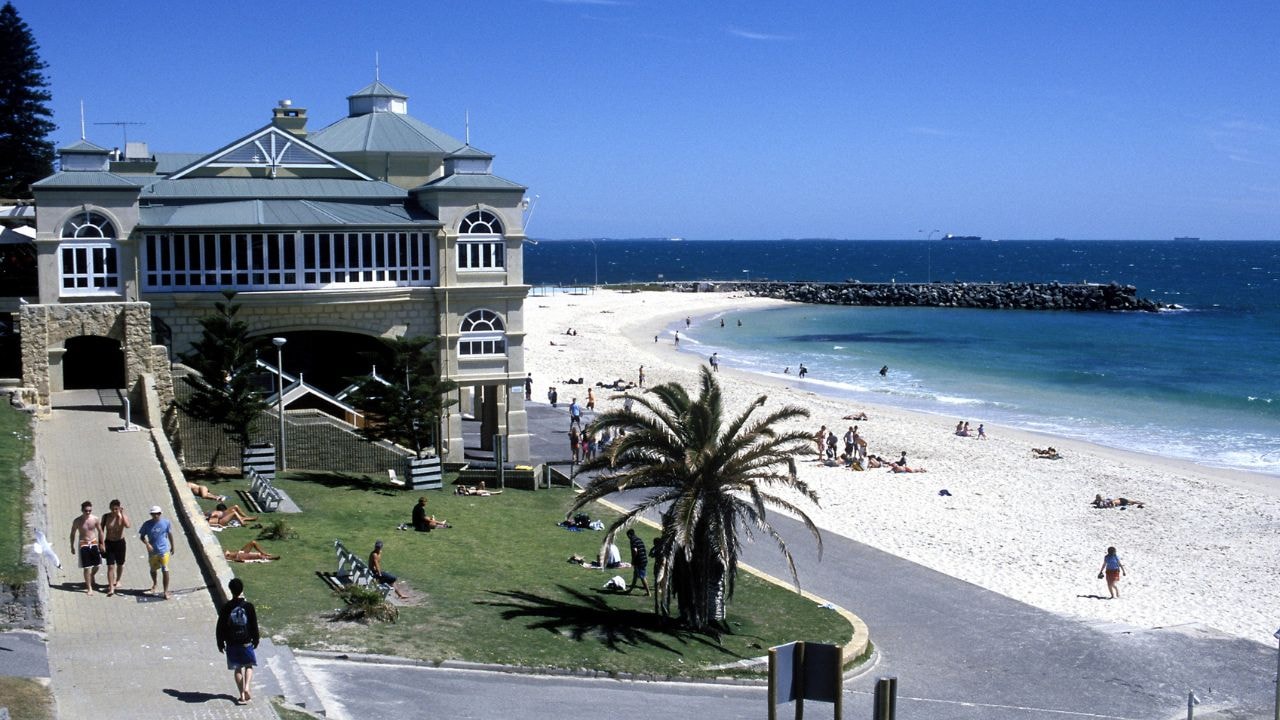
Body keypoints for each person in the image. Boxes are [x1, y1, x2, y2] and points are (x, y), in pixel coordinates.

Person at [216, 577, 260, 705]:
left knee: (237, 668)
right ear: (242, 589)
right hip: (246, 641)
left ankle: (241, 695)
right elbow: (254, 624)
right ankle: (247, 687)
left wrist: (220, 642)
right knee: (249, 666)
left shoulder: (226, 607)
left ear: (230, 590)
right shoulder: (248, 606)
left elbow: (221, 627)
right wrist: (256, 639)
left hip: (231, 643)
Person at [140, 505, 175, 599]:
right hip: (153, 551)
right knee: (153, 569)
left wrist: (172, 546)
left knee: (165, 569)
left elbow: (169, 534)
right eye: (153, 514)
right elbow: (142, 536)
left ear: (160, 514)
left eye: (157, 514)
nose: (155, 516)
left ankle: (165, 591)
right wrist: (147, 544)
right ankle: (155, 584)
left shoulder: (166, 523)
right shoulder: (147, 524)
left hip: (164, 550)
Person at [69, 500, 103, 595]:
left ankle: (91, 576)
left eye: (89, 510)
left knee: (98, 565)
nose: (88, 512)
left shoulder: (95, 519)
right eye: (86, 510)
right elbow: (72, 534)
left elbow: (100, 531)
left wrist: (102, 543)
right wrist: (72, 546)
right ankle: (89, 587)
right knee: (87, 567)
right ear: (82, 510)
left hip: (94, 542)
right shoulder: (77, 521)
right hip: (83, 543)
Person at [102, 499, 130, 597]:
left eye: (116, 509)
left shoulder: (122, 517)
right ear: (110, 508)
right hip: (109, 542)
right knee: (110, 565)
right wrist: (101, 543)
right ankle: (111, 586)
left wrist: (121, 514)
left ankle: (118, 580)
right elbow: (101, 530)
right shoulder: (106, 517)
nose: (114, 511)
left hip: (120, 543)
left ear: (119, 508)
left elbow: (128, 526)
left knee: (120, 564)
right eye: (113, 509)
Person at [626, 529, 650, 596]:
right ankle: (630, 590)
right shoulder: (639, 539)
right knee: (635, 576)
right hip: (644, 559)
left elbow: (635, 550)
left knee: (642, 577)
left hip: (639, 561)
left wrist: (633, 560)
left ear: (629, 535)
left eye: (628, 536)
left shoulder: (633, 540)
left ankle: (648, 593)